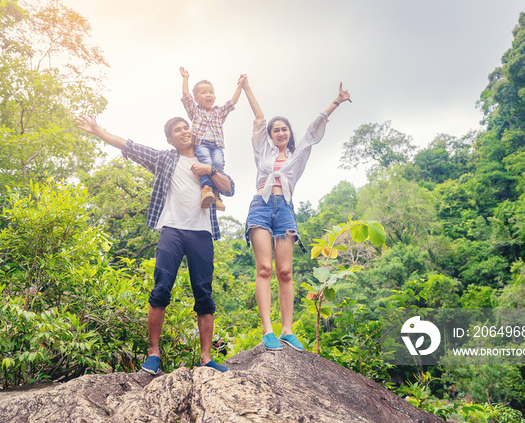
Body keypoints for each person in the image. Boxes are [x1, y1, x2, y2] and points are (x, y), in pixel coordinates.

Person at [76, 114, 235, 375]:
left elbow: (229, 188)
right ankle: (153, 353)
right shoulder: (165, 158)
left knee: (204, 294)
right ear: (170, 140)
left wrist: (210, 171)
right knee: (161, 288)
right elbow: (129, 146)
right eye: (178, 130)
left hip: (202, 232)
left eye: (187, 128)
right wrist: (97, 131)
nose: (184, 132)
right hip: (172, 228)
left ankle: (206, 359)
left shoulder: (207, 158)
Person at [240, 75, 351, 352]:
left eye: (284, 130)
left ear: (289, 133)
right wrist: (246, 88)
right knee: (264, 269)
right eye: (276, 130)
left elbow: (314, 130)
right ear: (270, 135)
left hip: (285, 210)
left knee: (285, 271)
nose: (280, 133)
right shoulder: (262, 151)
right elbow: (258, 118)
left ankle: (287, 331)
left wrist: (336, 102)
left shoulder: (297, 154)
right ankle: (268, 331)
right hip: (261, 209)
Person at [180, 66, 244, 211]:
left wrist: (240, 86)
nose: (208, 94)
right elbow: (186, 96)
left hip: (217, 145)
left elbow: (233, 102)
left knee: (218, 165)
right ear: (196, 99)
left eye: (211, 92)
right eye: (203, 93)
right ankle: (206, 188)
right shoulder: (195, 111)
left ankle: (216, 194)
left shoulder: (219, 112)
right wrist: (185, 78)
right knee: (207, 163)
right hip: (201, 144)